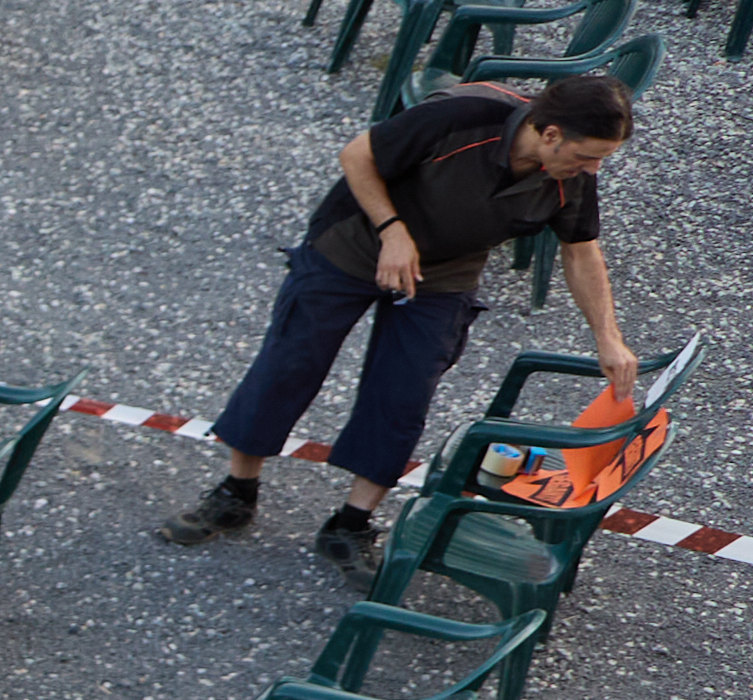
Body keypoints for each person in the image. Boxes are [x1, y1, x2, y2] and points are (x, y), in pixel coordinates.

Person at [160, 70, 640, 574]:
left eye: (602, 159)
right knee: (289, 364)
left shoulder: (573, 179)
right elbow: (356, 155)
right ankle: (237, 492)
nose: (593, 169)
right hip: (355, 243)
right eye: (588, 156)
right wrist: (392, 231)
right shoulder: (461, 117)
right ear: (550, 133)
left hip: (446, 272)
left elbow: (581, 252)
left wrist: (609, 338)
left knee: (404, 391)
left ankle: (350, 524)